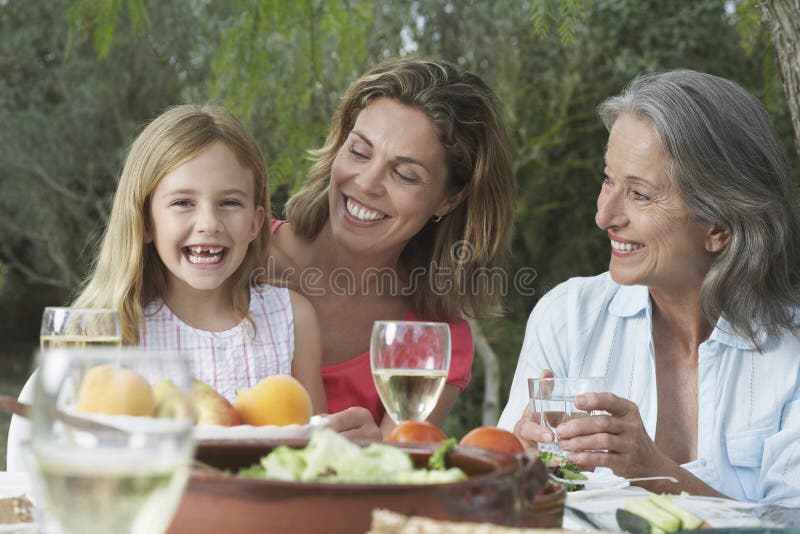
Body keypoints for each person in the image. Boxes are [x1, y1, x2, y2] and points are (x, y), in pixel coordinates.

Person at [498, 70, 800, 506]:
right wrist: (520, 466)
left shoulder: (790, 349)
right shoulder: (567, 318)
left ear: (719, 227)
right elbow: (508, 497)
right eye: (608, 180)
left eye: (639, 194)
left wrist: (653, 471)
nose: (605, 216)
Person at [7, 105, 326, 470]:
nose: (208, 223)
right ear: (145, 222)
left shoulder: (292, 318)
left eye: (229, 203)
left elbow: (316, 458)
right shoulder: (112, 334)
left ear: (256, 223)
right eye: (182, 203)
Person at [268, 57, 516, 439]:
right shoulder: (237, 253)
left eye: (405, 174)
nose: (367, 183)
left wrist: (376, 454)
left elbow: (393, 475)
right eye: (360, 152)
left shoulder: (431, 337)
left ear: (449, 199)